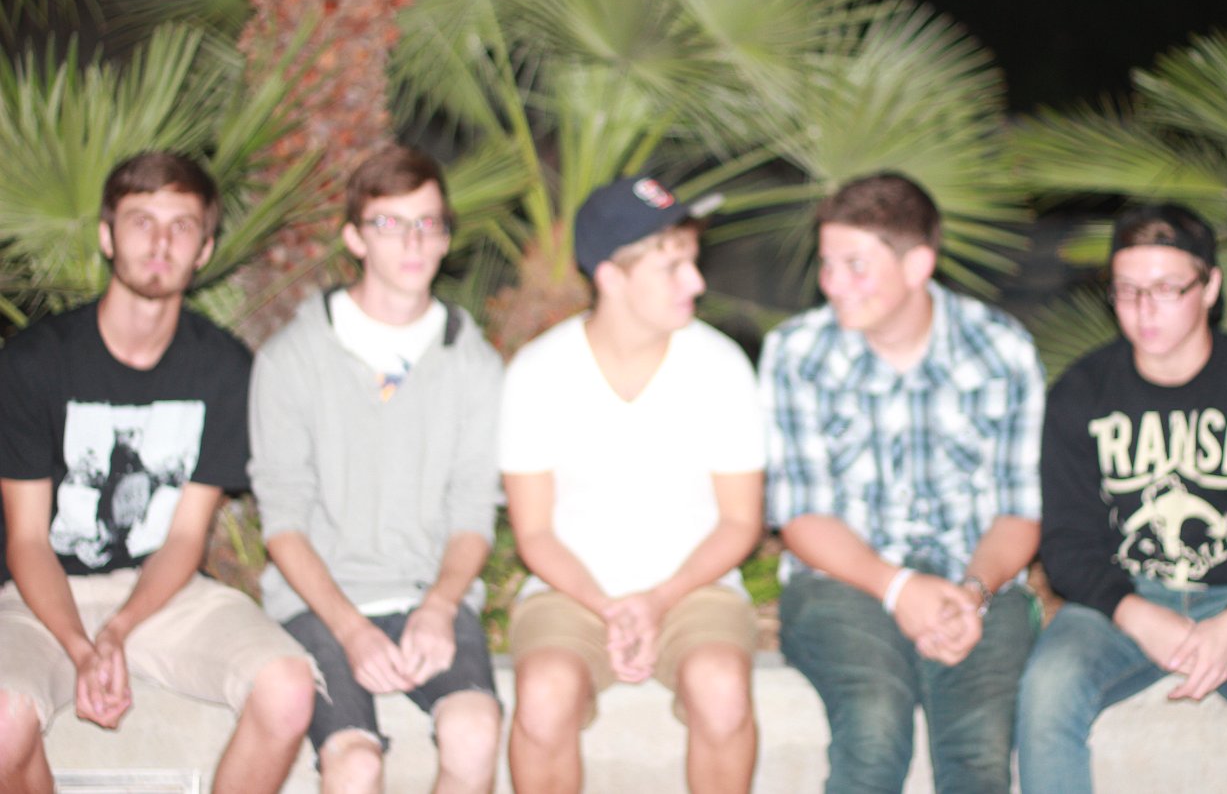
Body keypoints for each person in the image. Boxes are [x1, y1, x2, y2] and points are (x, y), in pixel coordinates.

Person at [0, 151, 316, 793]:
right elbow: (28, 541)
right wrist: (82, 646)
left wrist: (118, 629)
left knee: (287, 690)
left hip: (165, 593)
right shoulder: (34, 362)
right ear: (107, 235)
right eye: (142, 221)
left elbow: (185, 536)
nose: (160, 243)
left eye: (182, 226)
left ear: (204, 249)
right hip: (42, 595)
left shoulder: (223, 369)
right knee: (4, 721)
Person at [1016, 203, 1227, 793]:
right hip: (1124, 599)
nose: (1144, 308)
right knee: (1047, 684)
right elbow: (1066, 544)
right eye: (1127, 289)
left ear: (1209, 286)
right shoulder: (1081, 395)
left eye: (1167, 288)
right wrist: (1135, 612)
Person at [760, 173, 1044, 793]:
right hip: (841, 581)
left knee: (978, 755)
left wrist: (972, 593)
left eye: (855, 265)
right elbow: (801, 515)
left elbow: (1019, 510)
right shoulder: (798, 351)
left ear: (917, 265)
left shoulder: (1000, 349)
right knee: (873, 726)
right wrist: (899, 587)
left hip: (976, 580)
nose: (833, 283)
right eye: (827, 263)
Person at [499, 175, 764, 794]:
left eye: (692, 262)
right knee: (543, 696)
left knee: (722, 688)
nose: (695, 282)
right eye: (671, 268)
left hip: (696, 588)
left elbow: (739, 522)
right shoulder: (538, 372)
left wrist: (658, 599)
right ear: (612, 278)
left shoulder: (722, 366)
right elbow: (534, 533)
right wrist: (606, 606)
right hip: (569, 591)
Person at [249, 144, 502, 793]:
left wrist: (441, 606)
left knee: (474, 730)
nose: (413, 242)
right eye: (390, 224)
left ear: (445, 237)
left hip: (426, 592)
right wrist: (351, 630)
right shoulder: (292, 358)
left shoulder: (472, 362)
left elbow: (473, 510)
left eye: (428, 223)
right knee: (356, 763)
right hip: (321, 603)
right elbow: (283, 521)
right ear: (355, 238)